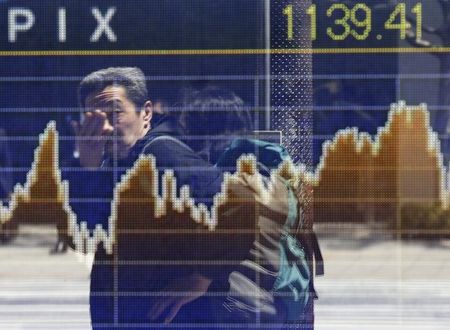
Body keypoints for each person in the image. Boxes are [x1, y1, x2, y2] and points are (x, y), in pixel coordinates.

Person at [63, 67, 224, 328]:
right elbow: (82, 238)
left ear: (145, 112)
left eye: (115, 113)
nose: (105, 125)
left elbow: (238, 206)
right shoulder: (108, 164)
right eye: (94, 116)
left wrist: (202, 278)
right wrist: (87, 171)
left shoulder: (164, 155)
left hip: (169, 315)